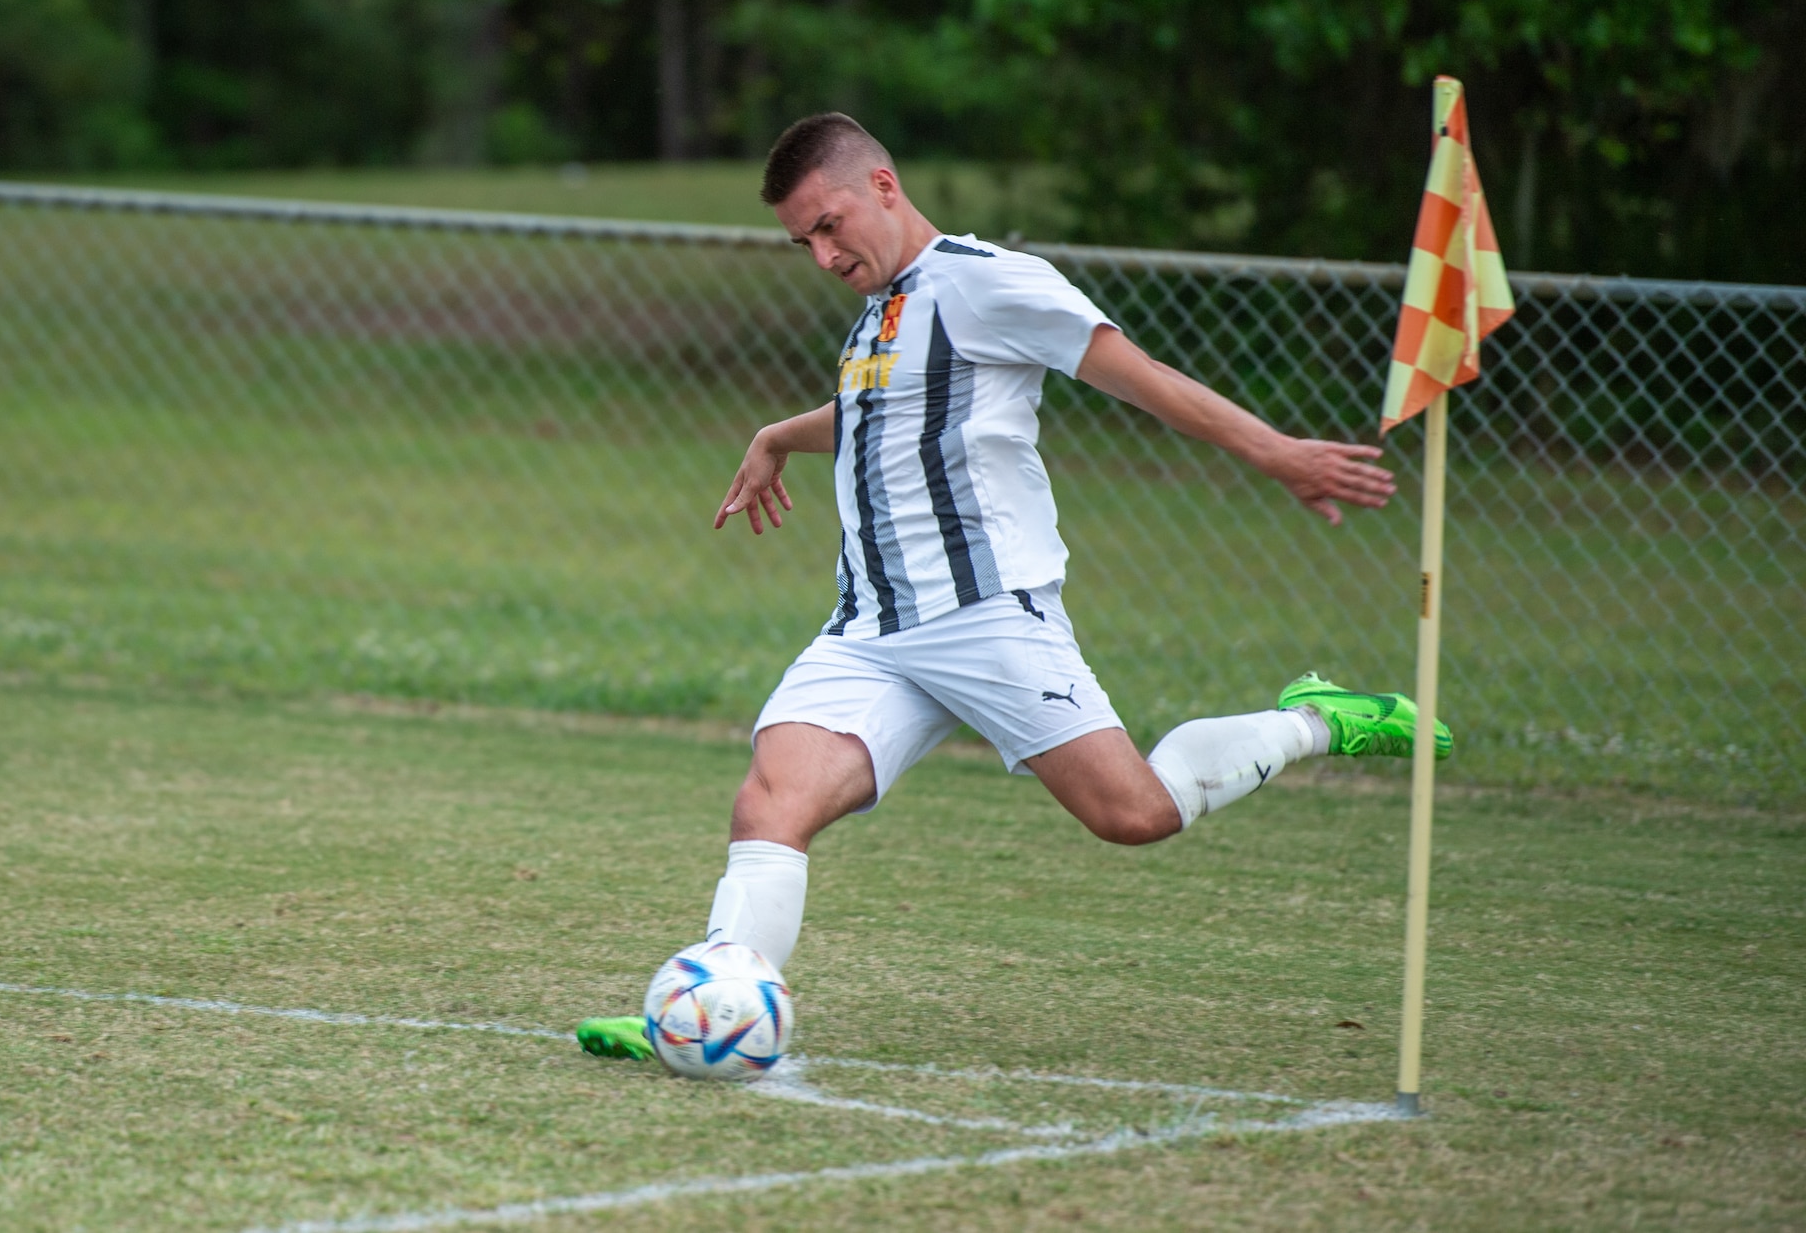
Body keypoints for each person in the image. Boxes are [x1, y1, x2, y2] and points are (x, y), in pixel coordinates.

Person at [579, 113, 1449, 1061]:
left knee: (1136, 814)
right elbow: (882, 405)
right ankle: (709, 1007)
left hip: (986, 616)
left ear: (882, 184)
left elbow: (1140, 376)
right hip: (871, 627)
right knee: (770, 804)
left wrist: (1275, 450)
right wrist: (779, 435)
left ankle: (1312, 718)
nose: (823, 254)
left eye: (830, 225)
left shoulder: (985, 282)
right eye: (804, 243)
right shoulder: (884, 307)